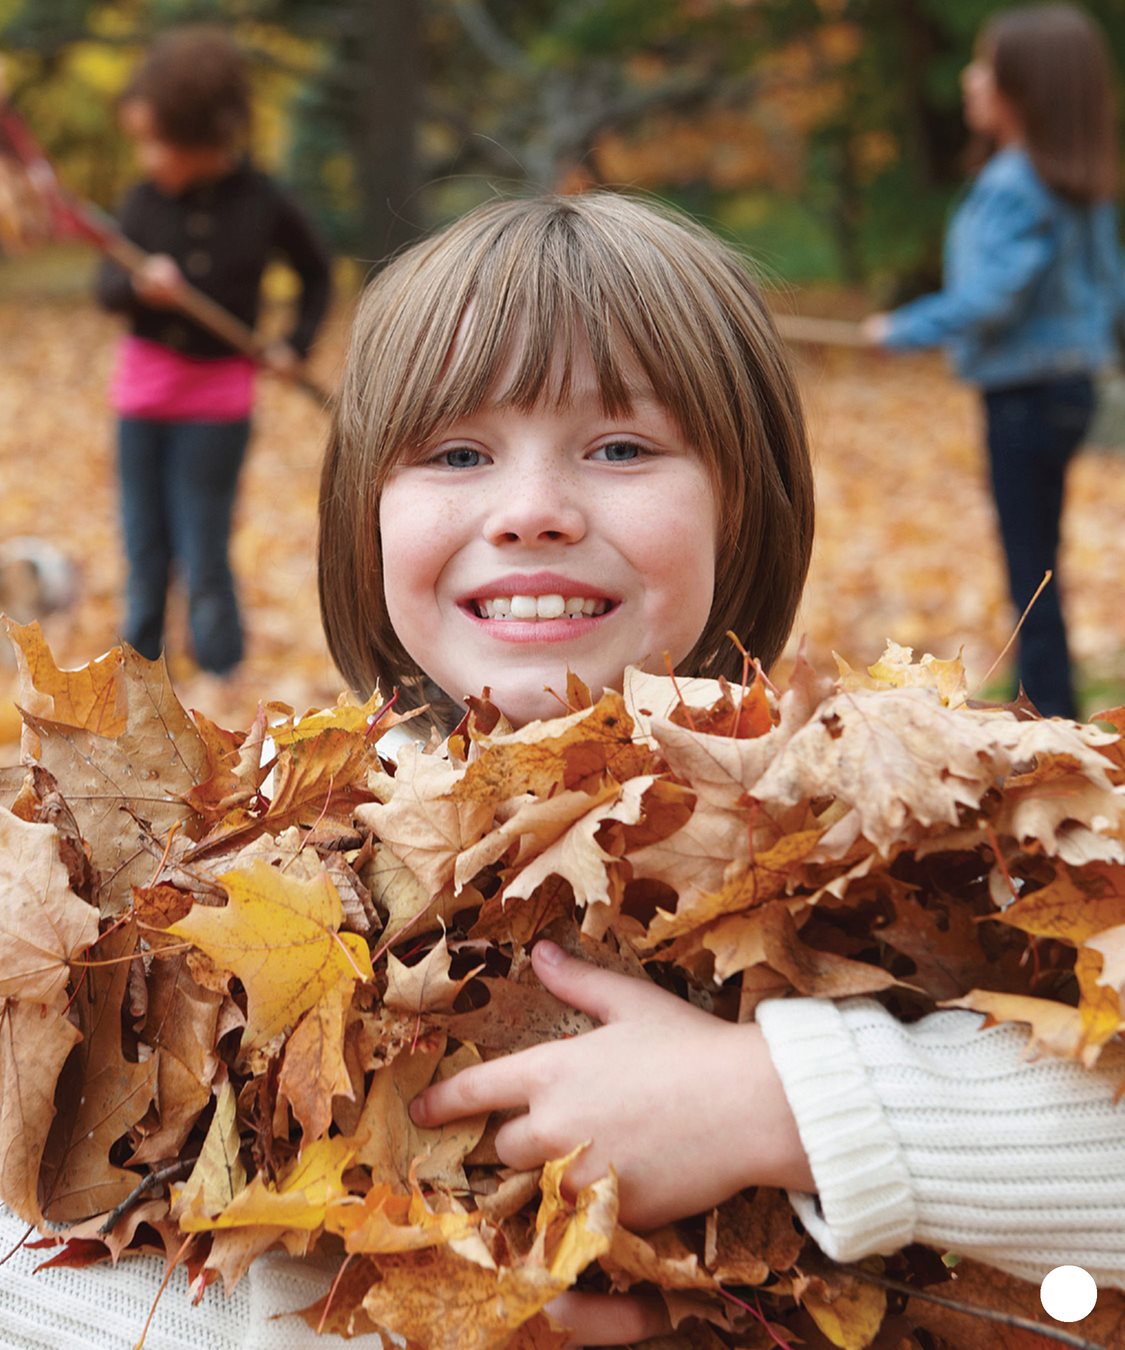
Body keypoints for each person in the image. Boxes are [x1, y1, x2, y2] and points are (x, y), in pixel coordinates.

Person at [2, 192, 1122, 1348]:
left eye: (622, 448)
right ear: (364, 515)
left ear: (747, 502)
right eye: (457, 453)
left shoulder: (891, 833)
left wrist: (787, 1104)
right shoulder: (225, 882)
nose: (531, 511)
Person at [861, 3, 1124, 721]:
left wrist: (904, 328)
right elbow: (1109, 288)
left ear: (1025, 89)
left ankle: (1048, 712)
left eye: (986, 68)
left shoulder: (1015, 182)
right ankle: (1048, 698)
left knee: (1028, 566)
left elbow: (990, 298)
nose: (969, 82)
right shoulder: (1076, 182)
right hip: (1062, 389)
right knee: (1038, 559)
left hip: (1023, 396)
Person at [95, 26, 332, 681]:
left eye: (157, 144)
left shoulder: (263, 202)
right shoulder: (143, 201)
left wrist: (293, 343)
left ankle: (222, 675)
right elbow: (107, 287)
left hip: (216, 404)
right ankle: (136, 673)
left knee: (203, 544)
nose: (147, 159)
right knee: (145, 546)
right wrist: (140, 288)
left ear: (208, 141)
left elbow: (317, 275)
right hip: (143, 399)